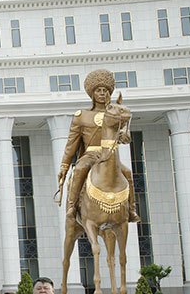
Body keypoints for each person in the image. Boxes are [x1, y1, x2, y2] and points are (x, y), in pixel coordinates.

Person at [58, 68, 139, 223]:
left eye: (105, 90)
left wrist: (125, 135)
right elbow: (71, 144)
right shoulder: (82, 116)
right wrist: (64, 165)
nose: (102, 93)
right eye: (98, 91)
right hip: (90, 155)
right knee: (80, 169)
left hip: (109, 155)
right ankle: (72, 206)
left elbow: (124, 136)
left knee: (127, 173)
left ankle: (131, 209)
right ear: (92, 94)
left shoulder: (116, 114)